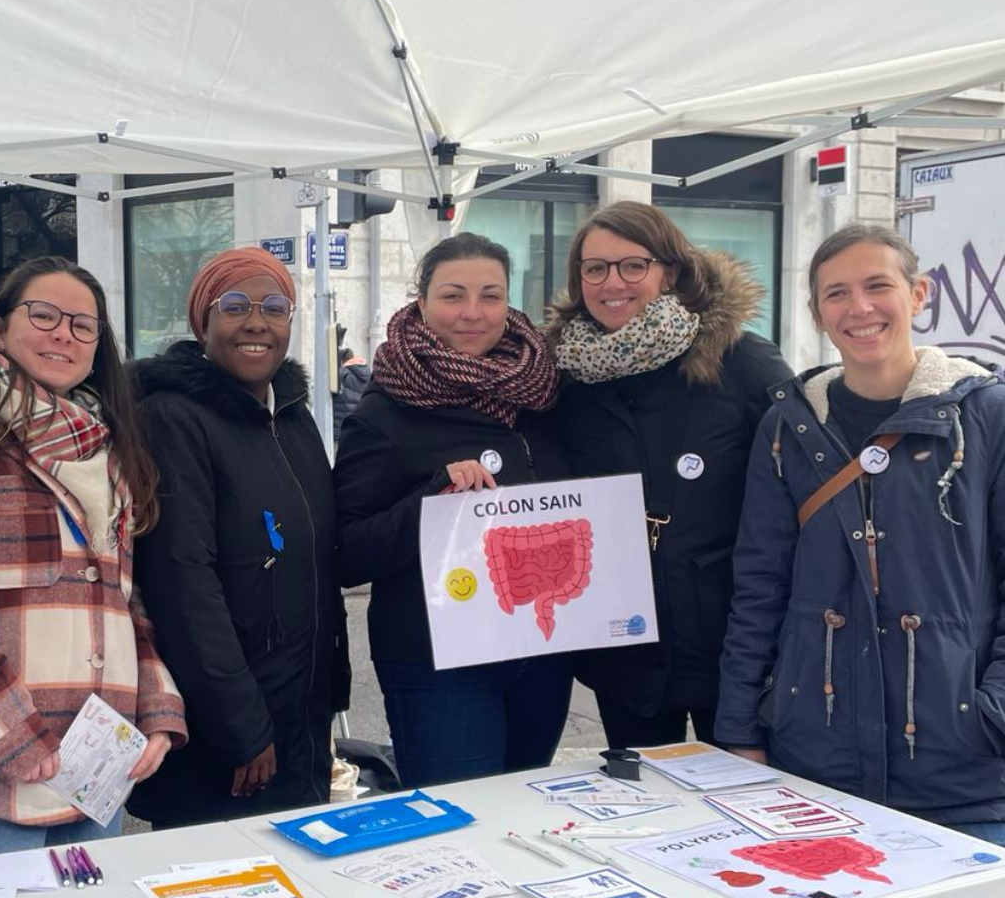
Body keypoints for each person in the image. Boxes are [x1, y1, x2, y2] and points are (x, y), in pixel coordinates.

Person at [716, 223, 1005, 843]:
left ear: (919, 293)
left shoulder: (987, 416)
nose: (860, 308)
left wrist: (991, 716)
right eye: (837, 293)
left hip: (963, 774)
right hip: (815, 757)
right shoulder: (785, 427)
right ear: (817, 312)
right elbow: (760, 586)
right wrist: (741, 729)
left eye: (878, 286)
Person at [0, 256, 186, 862]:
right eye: (44, 315)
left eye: (83, 325)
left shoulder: (108, 454)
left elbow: (123, 601)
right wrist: (10, 735)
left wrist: (156, 708)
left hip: (98, 766)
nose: (63, 334)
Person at [547, 201, 792, 750]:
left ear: (671, 271)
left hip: (733, 645)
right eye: (595, 268)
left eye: (633, 265)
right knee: (643, 814)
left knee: (741, 811)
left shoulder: (744, 363)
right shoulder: (567, 376)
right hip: (624, 647)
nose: (613, 283)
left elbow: (799, 487)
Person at [334, 233, 572, 787]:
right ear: (421, 303)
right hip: (438, 663)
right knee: (459, 824)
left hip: (539, 651)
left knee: (524, 810)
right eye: (452, 295)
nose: (472, 313)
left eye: (490, 295)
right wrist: (431, 502)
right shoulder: (387, 410)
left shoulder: (543, 393)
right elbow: (347, 553)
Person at [127, 246, 346, 829]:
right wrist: (241, 728)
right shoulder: (174, 418)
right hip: (232, 733)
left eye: (275, 307)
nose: (257, 322)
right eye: (234, 306)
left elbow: (318, 559)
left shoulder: (293, 415)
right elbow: (182, 587)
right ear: (203, 321)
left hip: (298, 714)